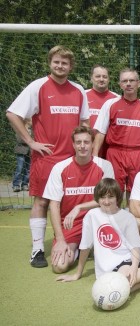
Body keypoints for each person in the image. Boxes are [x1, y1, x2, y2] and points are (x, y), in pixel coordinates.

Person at [6, 45, 90, 268]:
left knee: (73, 201)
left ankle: (75, 242)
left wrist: (83, 148)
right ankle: (37, 250)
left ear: (70, 66)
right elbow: (12, 113)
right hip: (47, 157)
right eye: (56, 62)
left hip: (72, 158)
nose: (60, 66)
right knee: (41, 201)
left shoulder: (78, 90)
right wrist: (30, 141)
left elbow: (84, 123)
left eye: (64, 63)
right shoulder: (38, 87)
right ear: (50, 63)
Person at [56, 178, 140, 291]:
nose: (106, 201)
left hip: (129, 257)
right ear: (97, 198)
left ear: (118, 198)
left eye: (111, 197)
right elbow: (85, 246)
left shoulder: (127, 217)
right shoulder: (92, 216)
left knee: (124, 279)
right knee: (120, 289)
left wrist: (133, 267)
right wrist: (78, 273)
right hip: (108, 264)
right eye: (102, 197)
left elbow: (135, 247)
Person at [43, 126, 114, 273]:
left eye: (86, 142)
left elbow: (109, 200)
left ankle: (95, 245)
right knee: (59, 266)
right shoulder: (60, 168)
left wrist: (80, 207)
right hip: (71, 224)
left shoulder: (104, 165)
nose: (82, 146)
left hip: (99, 220)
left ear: (93, 144)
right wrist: (61, 240)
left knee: (116, 259)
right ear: (73, 144)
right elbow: (54, 205)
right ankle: (77, 248)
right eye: (79, 142)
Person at [93, 68, 140, 203]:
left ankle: (131, 221)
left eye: (132, 80)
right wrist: (95, 156)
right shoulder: (110, 104)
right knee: (113, 191)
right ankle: (114, 222)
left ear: (139, 83)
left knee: (134, 194)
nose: (128, 84)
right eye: (125, 81)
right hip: (115, 153)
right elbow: (101, 132)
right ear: (120, 85)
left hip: (137, 154)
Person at [86, 65, 119, 158]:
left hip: (108, 148)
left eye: (104, 77)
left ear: (109, 79)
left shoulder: (116, 99)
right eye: (98, 76)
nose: (101, 79)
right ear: (91, 78)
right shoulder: (82, 96)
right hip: (86, 145)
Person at [12, 119, 32, 192]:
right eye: (31, 120)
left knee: (28, 169)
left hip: (29, 151)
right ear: (27, 121)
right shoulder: (20, 128)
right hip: (21, 150)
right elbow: (20, 140)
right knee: (20, 168)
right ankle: (16, 185)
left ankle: (25, 184)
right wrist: (30, 141)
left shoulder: (32, 130)